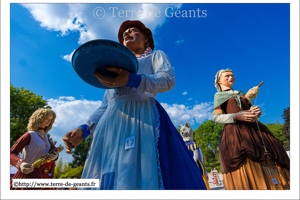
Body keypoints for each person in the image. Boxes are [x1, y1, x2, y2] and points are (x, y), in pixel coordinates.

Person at [63, 20, 207, 190]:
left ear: (146, 38)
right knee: (109, 171)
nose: (126, 34)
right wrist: (84, 129)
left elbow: (168, 80)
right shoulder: (114, 68)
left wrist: (132, 79)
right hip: (112, 124)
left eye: (133, 31)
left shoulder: (155, 56)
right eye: (124, 34)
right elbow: (104, 106)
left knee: (140, 171)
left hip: (143, 119)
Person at [213, 69, 290, 190]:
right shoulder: (219, 96)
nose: (230, 77)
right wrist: (236, 116)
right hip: (235, 132)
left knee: (269, 155)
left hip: (255, 130)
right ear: (219, 80)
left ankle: (273, 186)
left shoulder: (241, 93)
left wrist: (257, 113)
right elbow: (216, 117)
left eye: (232, 76)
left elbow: (250, 111)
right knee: (244, 157)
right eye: (226, 76)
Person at [10, 109, 58, 190]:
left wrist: (55, 156)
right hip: (28, 173)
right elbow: (11, 153)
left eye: (51, 119)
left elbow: (55, 151)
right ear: (38, 118)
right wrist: (21, 164)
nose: (49, 121)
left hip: (43, 176)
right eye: (47, 118)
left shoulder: (46, 138)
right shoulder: (29, 135)